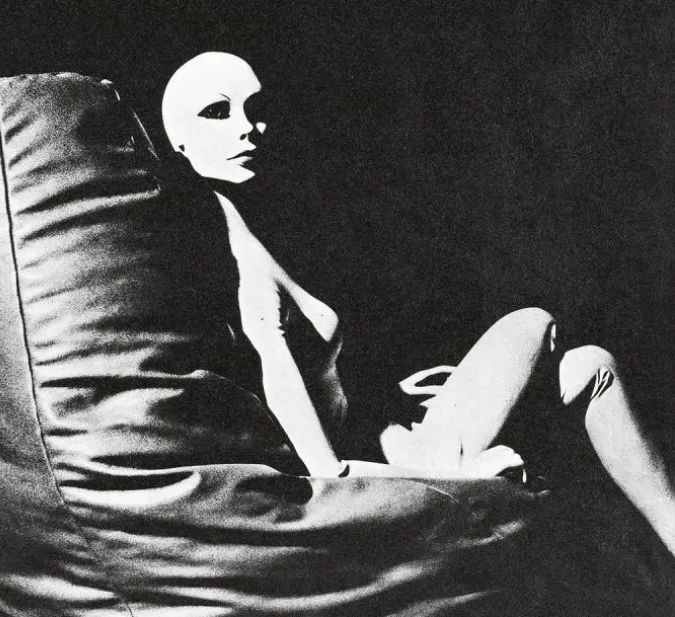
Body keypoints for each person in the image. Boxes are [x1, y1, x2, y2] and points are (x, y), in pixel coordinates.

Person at [160, 51, 675, 556]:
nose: (247, 128)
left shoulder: (257, 237)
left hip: (390, 432)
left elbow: (324, 387)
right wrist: (460, 481)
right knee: (532, 323)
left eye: (256, 109)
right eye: (217, 111)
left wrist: (392, 399)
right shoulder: (242, 277)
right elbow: (324, 470)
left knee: (594, 366)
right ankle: (460, 467)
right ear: (176, 138)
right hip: (397, 464)